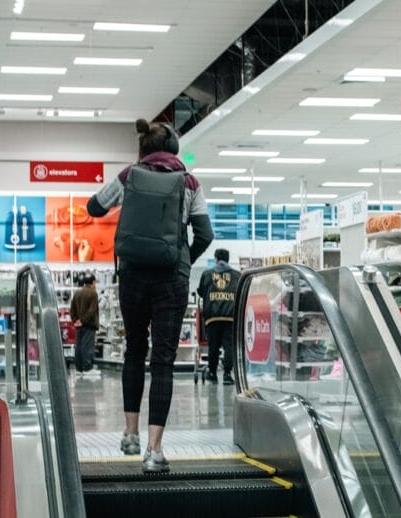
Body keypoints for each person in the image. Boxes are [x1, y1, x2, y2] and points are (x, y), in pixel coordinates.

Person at [88, 119, 213, 473]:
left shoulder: (129, 176)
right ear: (173, 147)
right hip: (171, 278)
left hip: (132, 276)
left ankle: (129, 434)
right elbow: (205, 232)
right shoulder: (189, 182)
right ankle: (154, 450)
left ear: (143, 147)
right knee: (163, 361)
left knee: (134, 349)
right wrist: (183, 257)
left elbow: (94, 207)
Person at [197, 249, 240, 385]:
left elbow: (201, 292)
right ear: (228, 259)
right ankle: (227, 375)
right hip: (230, 317)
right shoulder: (236, 275)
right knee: (229, 346)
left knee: (213, 346)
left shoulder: (207, 274)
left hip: (212, 317)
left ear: (215, 259)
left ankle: (212, 373)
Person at [71, 273, 101, 379]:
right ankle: (87, 369)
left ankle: (79, 368)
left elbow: (72, 309)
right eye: (95, 282)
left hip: (79, 325)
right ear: (93, 282)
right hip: (89, 324)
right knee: (88, 347)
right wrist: (83, 321)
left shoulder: (77, 293)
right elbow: (92, 310)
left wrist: (76, 320)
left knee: (79, 346)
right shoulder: (93, 293)